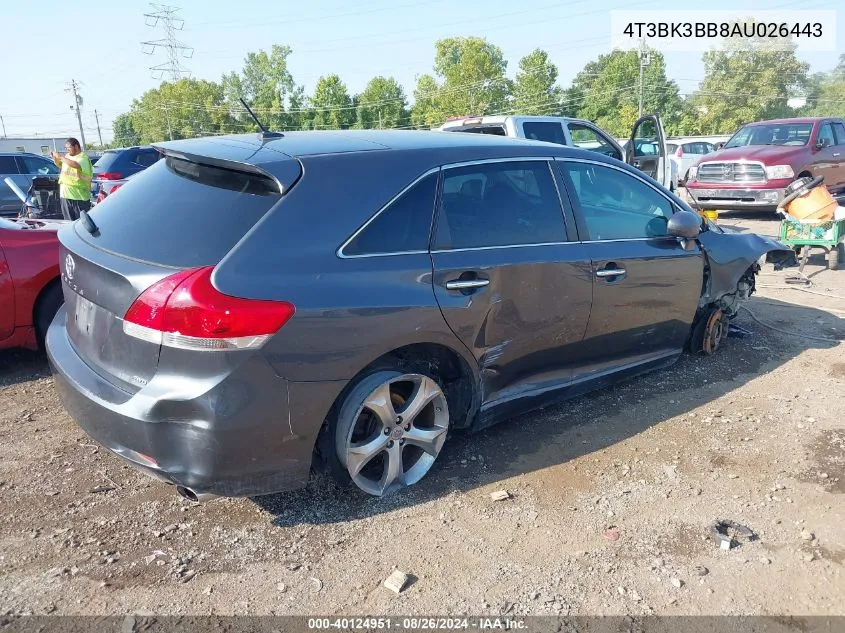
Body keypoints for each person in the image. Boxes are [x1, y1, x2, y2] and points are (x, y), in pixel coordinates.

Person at [51, 138, 93, 221]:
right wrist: (55, 159)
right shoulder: (67, 157)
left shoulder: (83, 157)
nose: (67, 150)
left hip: (79, 198)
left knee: (81, 224)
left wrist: (60, 157)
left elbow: (75, 165)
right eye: (66, 148)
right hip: (66, 196)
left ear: (76, 146)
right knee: (68, 223)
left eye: (69, 148)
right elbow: (60, 165)